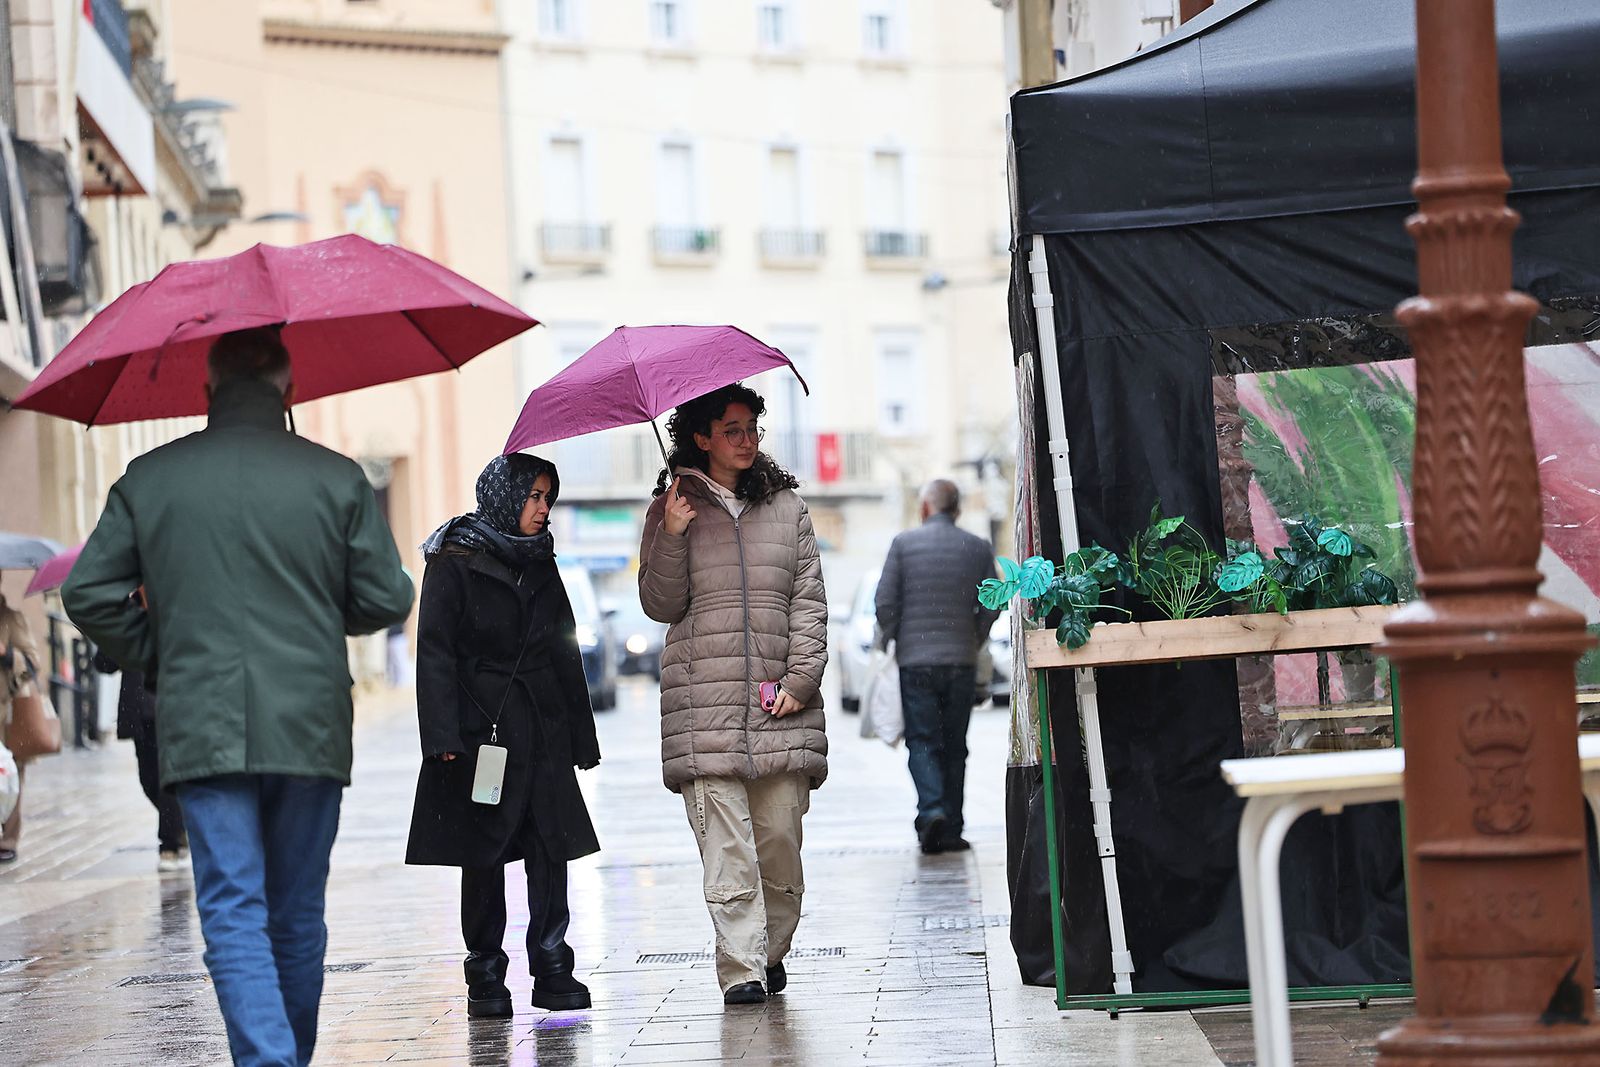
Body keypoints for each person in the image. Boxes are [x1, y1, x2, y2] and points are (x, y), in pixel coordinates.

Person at [62, 325, 414, 1067]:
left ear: (206, 391)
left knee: (231, 907)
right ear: (289, 391)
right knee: (296, 910)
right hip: (310, 722)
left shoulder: (151, 478)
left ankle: (267, 1059)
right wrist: (322, 611)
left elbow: (88, 592)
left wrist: (161, 647)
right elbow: (388, 594)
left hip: (202, 717)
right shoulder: (338, 477)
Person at [638, 383, 828, 1006]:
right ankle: (742, 967)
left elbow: (809, 602)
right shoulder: (671, 508)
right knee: (728, 851)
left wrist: (801, 682)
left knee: (779, 846)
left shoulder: (788, 507)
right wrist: (669, 535)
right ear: (701, 437)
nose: (746, 441)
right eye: (732, 430)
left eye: (752, 429)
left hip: (780, 709)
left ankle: (770, 952)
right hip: (703, 708)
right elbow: (660, 605)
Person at [405, 454, 601, 1018]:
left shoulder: (541, 560)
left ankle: (553, 965)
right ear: (505, 496)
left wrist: (580, 740)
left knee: (549, 845)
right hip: (480, 732)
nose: (543, 510)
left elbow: (563, 648)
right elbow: (435, 652)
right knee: (483, 852)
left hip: (541, 726)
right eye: (534, 497)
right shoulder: (454, 558)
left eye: (548, 499)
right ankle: (486, 976)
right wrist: (441, 736)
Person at [874, 479, 1000, 854]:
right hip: (961, 661)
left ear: (925, 507)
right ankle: (953, 827)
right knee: (955, 745)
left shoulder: (903, 544)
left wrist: (896, 636)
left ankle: (931, 811)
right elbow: (992, 602)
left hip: (916, 662)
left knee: (923, 741)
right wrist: (973, 638)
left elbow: (884, 602)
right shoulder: (978, 547)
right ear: (956, 509)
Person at [92, 588, 187, 872]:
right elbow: (103, 664)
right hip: (138, 710)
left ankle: (170, 845)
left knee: (167, 778)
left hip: (170, 704)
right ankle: (181, 824)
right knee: (148, 780)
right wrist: (115, 636)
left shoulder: (174, 605)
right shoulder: (126, 613)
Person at [0, 592, 43, 864]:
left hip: (7, 710)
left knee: (11, 771)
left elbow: (32, 662)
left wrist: (7, 654)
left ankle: (8, 839)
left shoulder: (11, 619)